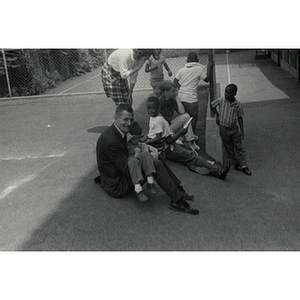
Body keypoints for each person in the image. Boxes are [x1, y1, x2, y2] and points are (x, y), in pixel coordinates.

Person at [96, 104, 199, 215]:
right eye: (125, 119)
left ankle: (178, 190)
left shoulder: (116, 131)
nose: (129, 124)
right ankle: (179, 200)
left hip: (114, 175)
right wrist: (147, 158)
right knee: (155, 164)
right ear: (115, 118)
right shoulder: (112, 141)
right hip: (116, 185)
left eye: (131, 120)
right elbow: (127, 169)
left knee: (155, 158)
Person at [145, 96, 230, 179]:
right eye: (149, 108)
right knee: (190, 155)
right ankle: (216, 171)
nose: (150, 110)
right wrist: (182, 132)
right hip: (167, 149)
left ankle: (192, 165)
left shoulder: (153, 118)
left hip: (165, 147)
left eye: (153, 108)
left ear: (159, 108)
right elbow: (169, 140)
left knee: (186, 149)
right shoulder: (159, 120)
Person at [210, 84, 252, 176]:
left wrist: (242, 130)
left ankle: (244, 166)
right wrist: (217, 115)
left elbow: (240, 117)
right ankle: (236, 163)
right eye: (225, 92)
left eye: (228, 93)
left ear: (234, 94)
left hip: (234, 129)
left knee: (239, 147)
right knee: (228, 147)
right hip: (223, 128)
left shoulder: (238, 105)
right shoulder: (221, 100)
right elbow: (212, 105)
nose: (226, 94)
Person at [173, 51, 214, 133]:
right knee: (193, 117)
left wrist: (182, 88)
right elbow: (207, 79)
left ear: (187, 61)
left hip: (181, 98)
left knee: (184, 117)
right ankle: (192, 135)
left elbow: (174, 82)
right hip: (191, 99)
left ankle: (183, 134)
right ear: (197, 60)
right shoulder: (199, 69)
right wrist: (209, 67)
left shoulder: (182, 70)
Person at [159, 80, 200, 152]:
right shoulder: (161, 102)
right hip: (163, 129)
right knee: (179, 143)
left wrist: (176, 97)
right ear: (166, 93)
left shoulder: (171, 98)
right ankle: (187, 145)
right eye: (172, 91)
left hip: (169, 125)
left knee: (186, 116)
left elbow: (182, 112)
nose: (175, 92)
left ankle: (190, 142)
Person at [127, 122, 159, 201]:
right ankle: (138, 190)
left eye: (138, 138)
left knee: (146, 154)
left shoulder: (142, 145)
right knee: (133, 161)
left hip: (144, 168)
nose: (136, 141)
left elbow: (147, 157)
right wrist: (136, 153)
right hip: (134, 168)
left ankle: (150, 182)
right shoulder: (127, 146)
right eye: (134, 139)